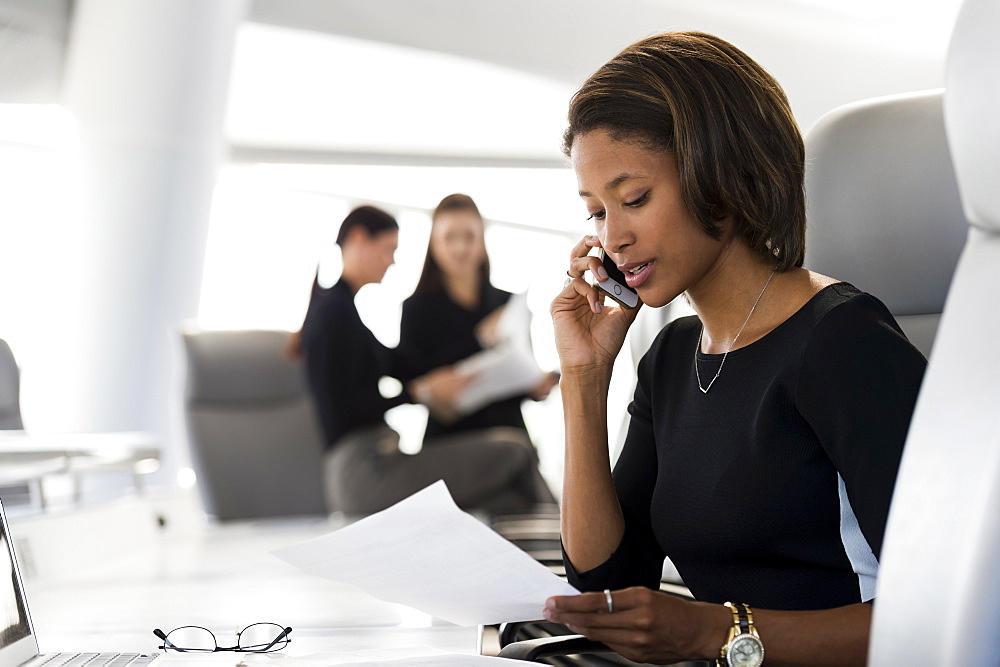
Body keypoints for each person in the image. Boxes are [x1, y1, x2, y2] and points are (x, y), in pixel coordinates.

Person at [542, 32, 927, 665]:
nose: (614, 237)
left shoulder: (844, 342)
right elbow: (607, 592)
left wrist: (715, 631)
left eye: (634, 198)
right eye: (596, 213)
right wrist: (585, 376)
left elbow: (950, 611)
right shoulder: (671, 357)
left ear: (718, 177)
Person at [297, 205, 552, 516]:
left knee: (510, 499)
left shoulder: (346, 312)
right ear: (358, 238)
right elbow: (347, 408)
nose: (391, 261)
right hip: (364, 471)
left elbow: (407, 365)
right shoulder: (334, 315)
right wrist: (418, 393)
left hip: (377, 458)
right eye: (388, 249)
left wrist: (481, 341)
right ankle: (572, 548)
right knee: (515, 450)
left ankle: (555, 548)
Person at [400, 193, 560, 443]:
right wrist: (479, 339)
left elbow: (519, 370)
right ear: (433, 243)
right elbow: (413, 382)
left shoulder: (506, 302)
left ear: (482, 239)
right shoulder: (416, 308)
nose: (460, 247)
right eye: (450, 237)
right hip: (452, 440)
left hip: (508, 434)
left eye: (469, 236)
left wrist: (536, 386)